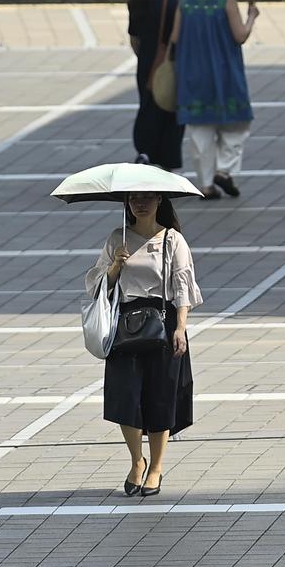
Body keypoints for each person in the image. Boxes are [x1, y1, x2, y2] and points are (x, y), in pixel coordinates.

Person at [87, 192, 201, 497]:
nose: (140, 204)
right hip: (126, 324)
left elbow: (183, 287)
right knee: (125, 395)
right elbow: (96, 285)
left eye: (147, 198)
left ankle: (156, 467)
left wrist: (181, 328)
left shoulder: (172, 240)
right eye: (134, 199)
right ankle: (137, 461)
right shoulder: (118, 238)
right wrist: (115, 265)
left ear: (159, 201)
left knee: (161, 395)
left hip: (163, 323)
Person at [171, 0, 259, 200]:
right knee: (236, 125)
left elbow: (175, 38)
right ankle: (224, 170)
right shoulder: (226, 1)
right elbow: (240, 35)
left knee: (200, 131)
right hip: (224, 71)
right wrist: (252, 16)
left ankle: (206, 184)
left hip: (193, 73)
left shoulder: (186, 2)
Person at [127, 0, 185, 171]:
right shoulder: (170, 1)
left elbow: (134, 38)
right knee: (168, 111)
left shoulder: (136, 1)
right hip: (167, 65)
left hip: (146, 65)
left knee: (147, 107)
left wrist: (146, 57)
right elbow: (177, 37)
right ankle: (166, 160)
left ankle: (145, 151)